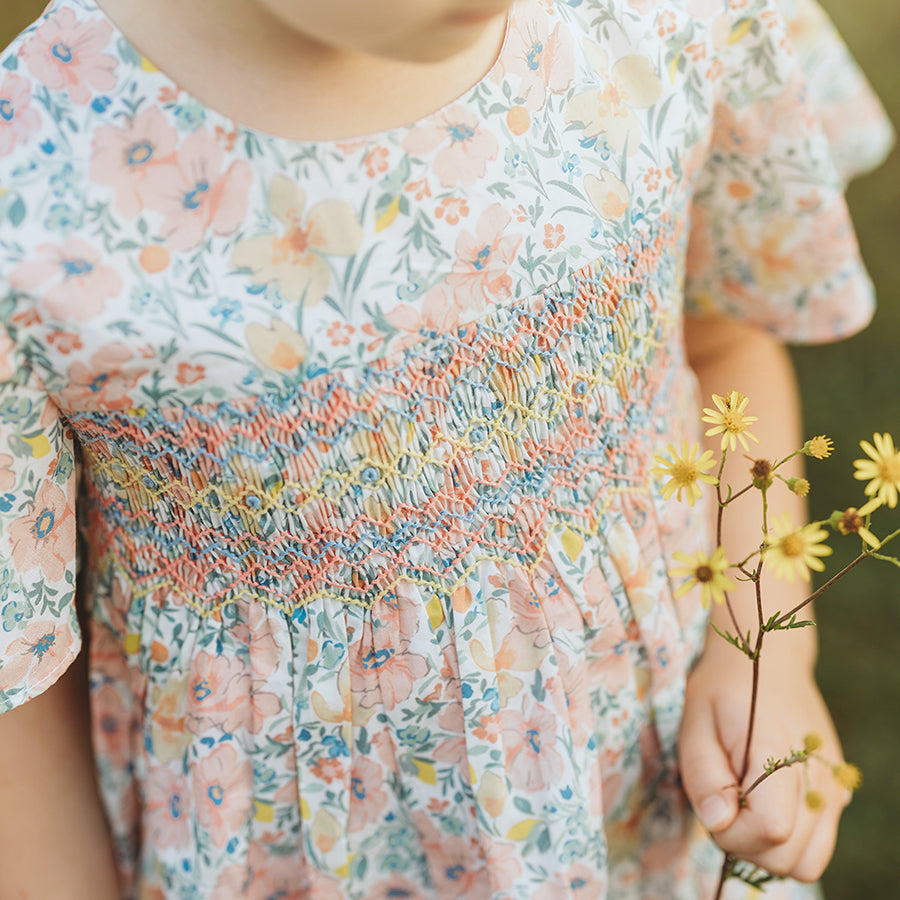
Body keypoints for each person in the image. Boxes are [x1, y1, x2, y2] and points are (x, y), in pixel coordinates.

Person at [0, 0, 892, 897]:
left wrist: (766, 652)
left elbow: (724, 344)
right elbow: (16, 680)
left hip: (657, 819)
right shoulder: (35, 197)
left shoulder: (662, 22)